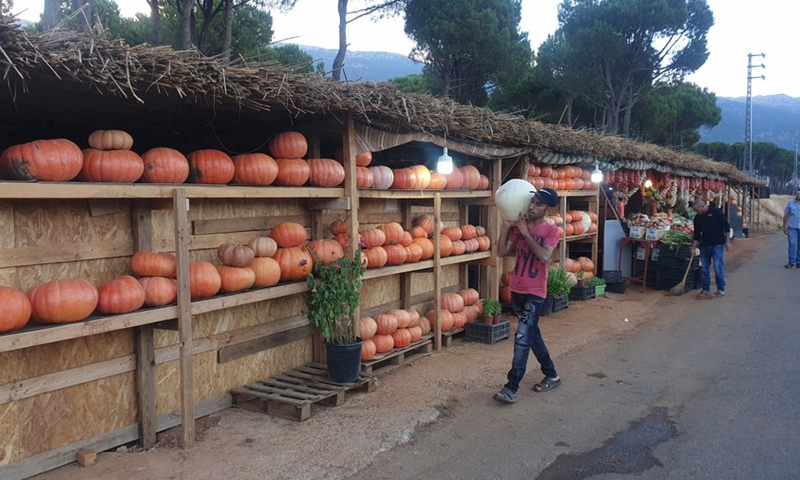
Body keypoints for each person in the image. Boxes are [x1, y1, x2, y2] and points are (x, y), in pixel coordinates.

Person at [493, 187, 562, 404]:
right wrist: (506, 226)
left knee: (522, 338)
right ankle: (552, 374)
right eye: (532, 202)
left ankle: (511, 387)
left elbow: (543, 256)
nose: (532, 207)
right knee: (532, 335)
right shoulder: (519, 226)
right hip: (517, 289)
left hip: (535, 292)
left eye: (538, 204)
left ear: (548, 209)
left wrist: (525, 233)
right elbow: (501, 251)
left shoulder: (551, 231)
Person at [691, 199, 731, 298]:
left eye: (697, 210)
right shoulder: (697, 218)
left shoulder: (716, 212)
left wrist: (727, 241)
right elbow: (696, 235)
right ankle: (705, 289)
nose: (696, 212)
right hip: (704, 246)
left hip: (717, 245)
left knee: (718, 268)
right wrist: (693, 248)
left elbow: (726, 227)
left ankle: (720, 289)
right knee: (704, 269)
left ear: (702, 207)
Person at [783, 189, 800, 268]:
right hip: (792, 227)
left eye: (799, 194)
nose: (798, 195)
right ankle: (791, 262)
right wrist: (784, 226)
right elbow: (786, 215)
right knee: (792, 243)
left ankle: (798, 262)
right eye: (797, 194)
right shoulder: (790, 204)